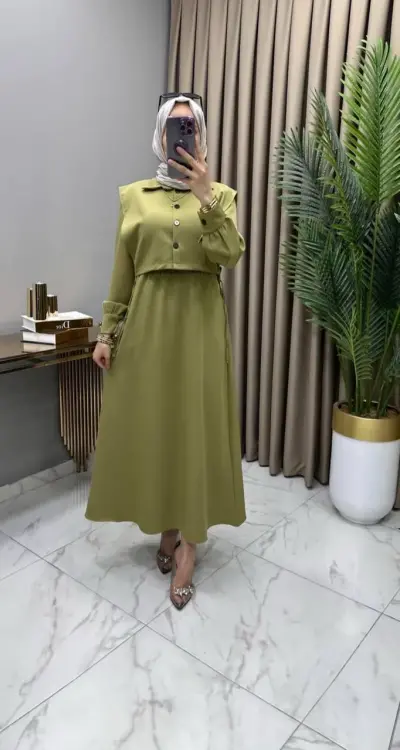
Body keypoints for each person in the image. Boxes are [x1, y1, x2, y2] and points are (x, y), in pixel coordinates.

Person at [86, 94, 246, 610]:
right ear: (160, 135)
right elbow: (124, 270)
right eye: (174, 126)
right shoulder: (133, 196)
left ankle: (189, 547)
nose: (182, 134)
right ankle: (167, 527)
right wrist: (108, 334)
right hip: (148, 328)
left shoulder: (221, 195)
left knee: (194, 429)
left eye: (190, 125)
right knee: (159, 427)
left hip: (200, 328)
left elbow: (230, 255)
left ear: (201, 134)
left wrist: (205, 197)